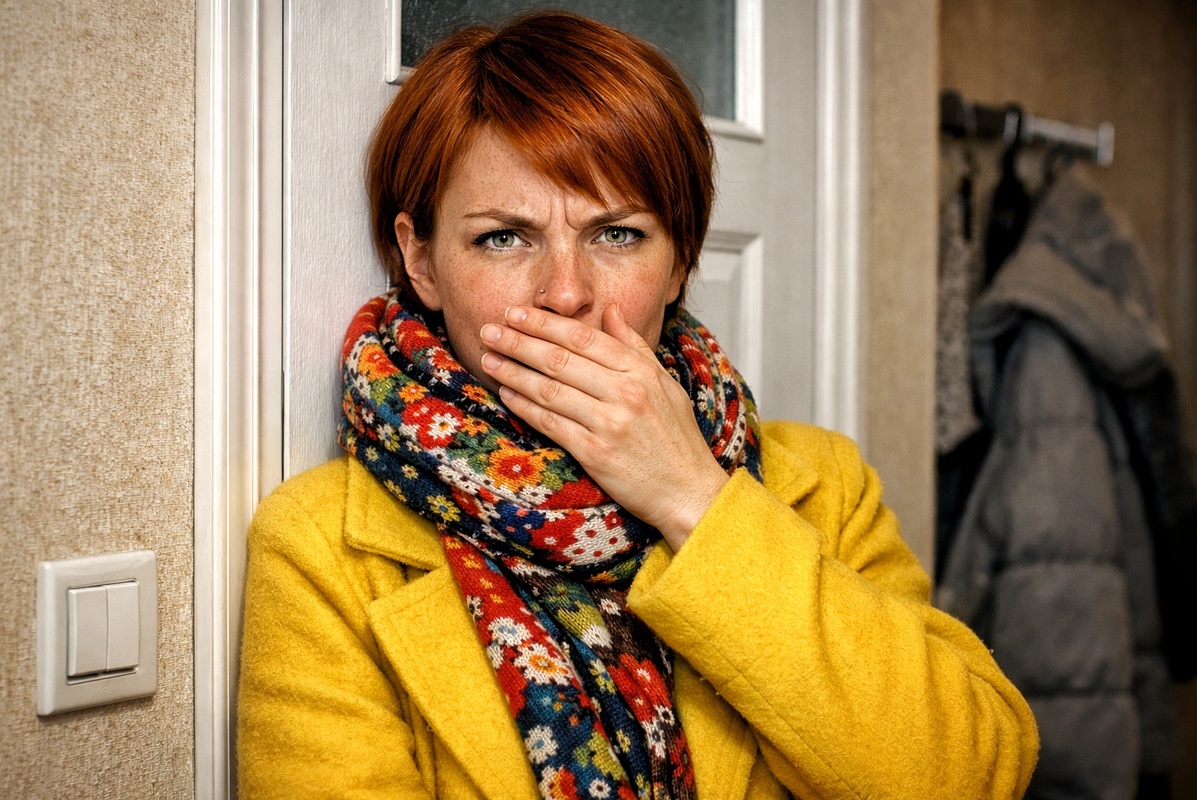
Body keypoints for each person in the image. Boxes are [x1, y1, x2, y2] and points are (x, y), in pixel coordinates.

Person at [237, 11, 1038, 799]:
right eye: (503, 237)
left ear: (682, 258)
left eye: (616, 234)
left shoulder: (826, 488)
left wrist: (695, 498)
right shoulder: (321, 551)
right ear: (421, 260)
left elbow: (974, 776)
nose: (566, 294)